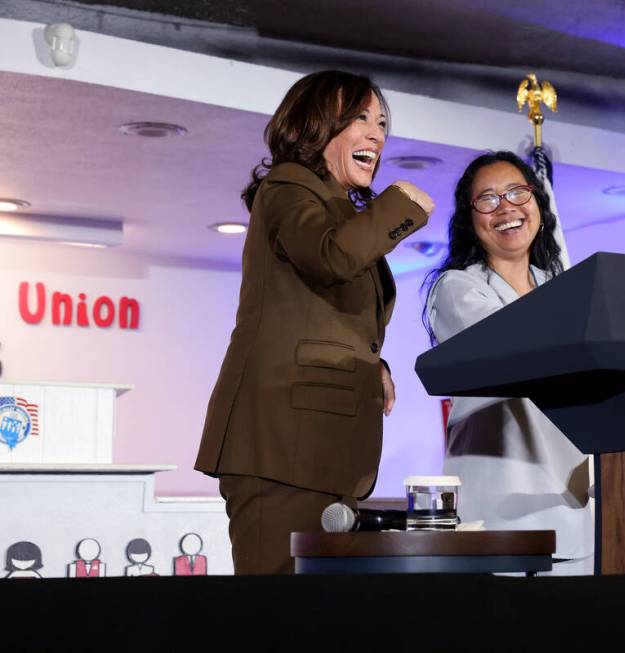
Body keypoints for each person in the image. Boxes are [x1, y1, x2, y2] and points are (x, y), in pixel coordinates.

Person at [195, 70, 434, 574]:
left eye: (383, 123)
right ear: (316, 125)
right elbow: (329, 258)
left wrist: (375, 365)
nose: (377, 134)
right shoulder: (287, 187)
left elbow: (328, 316)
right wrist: (401, 207)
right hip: (280, 451)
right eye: (360, 119)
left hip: (322, 454)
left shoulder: (341, 212)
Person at [423, 151, 593, 575]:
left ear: (537, 203)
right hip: (498, 514)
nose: (506, 208)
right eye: (489, 199)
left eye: (518, 192)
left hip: (573, 508)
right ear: (470, 218)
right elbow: (513, 350)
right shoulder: (457, 288)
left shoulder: (564, 289)